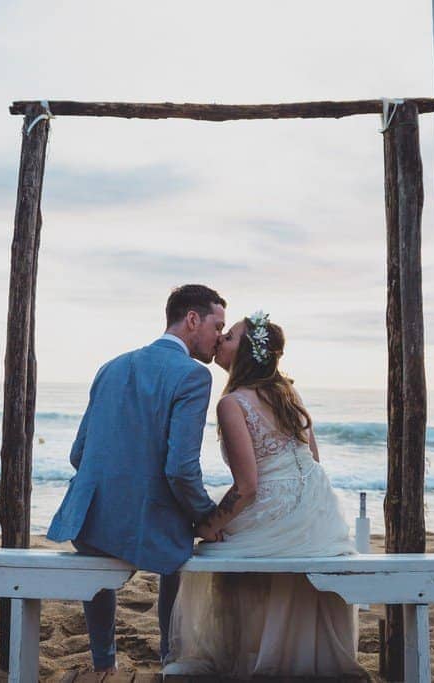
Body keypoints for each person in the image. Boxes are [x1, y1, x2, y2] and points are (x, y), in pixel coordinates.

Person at [163, 310, 363, 679]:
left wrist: (209, 523)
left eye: (231, 336)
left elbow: (248, 487)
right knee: (252, 548)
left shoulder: (232, 403)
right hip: (319, 515)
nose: (221, 339)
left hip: (276, 506)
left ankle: (250, 654)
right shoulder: (289, 393)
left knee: (213, 549)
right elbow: (314, 461)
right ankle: (282, 654)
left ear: (246, 353)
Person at [46, 284, 227, 673]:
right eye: (217, 325)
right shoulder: (193, 376)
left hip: (90, 522)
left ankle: (103, 662)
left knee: (110, 553)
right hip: (146, 525)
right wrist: (206, 516)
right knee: (181, 547)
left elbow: (78, 454)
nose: (218, 337)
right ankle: (169, 657)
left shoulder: (110, 366)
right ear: (192, 320)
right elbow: (180, 469)